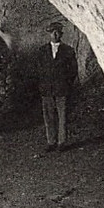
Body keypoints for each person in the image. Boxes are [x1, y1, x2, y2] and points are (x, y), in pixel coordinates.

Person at [36, 23, 78, 151]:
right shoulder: (42, 51)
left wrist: (66, 84)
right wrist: (43, 83)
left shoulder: (68, 50)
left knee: (62, 116)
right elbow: (38, 69)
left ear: (61, 34)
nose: (55, 34)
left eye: (57, 32)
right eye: (52, 32)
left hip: (62, 89)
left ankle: (61, 142)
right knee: (49, 116)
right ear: (49, 34)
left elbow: (73, 70)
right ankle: (51, 142)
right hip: (47, 89)